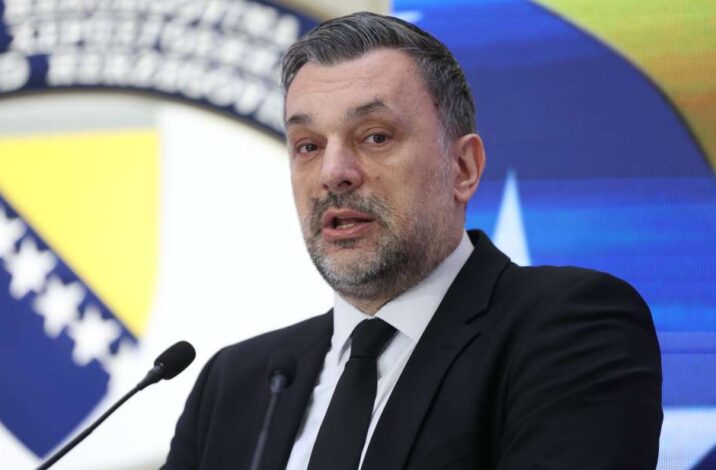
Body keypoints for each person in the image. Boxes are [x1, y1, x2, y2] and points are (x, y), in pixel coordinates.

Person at [163, 11, 662, 470]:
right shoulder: (234, 383)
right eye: (308, 146)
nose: (333, 173)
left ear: (462, 168)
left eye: (375, 137)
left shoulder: (569, 327)